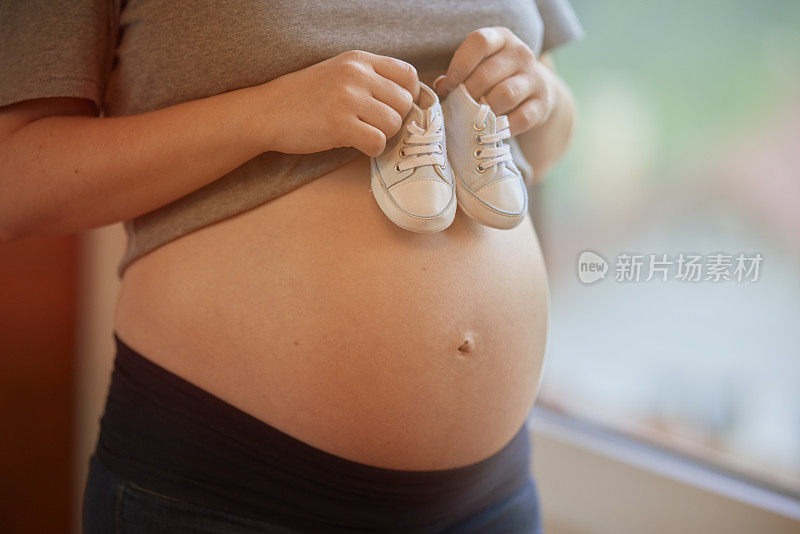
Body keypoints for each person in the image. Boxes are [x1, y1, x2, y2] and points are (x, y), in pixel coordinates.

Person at [0, 0, 583, 532]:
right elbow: (16, 180)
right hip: (230, 496)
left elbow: (548, 142)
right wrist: (263, 115)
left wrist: (542, 97)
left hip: (489, 499)